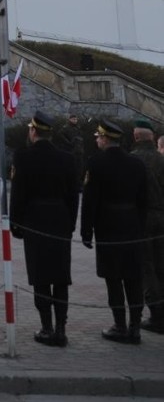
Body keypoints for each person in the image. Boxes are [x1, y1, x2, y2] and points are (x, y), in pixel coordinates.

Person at [9, 111, 79, 347]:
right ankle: (61, 328)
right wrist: (70, 223)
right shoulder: (67, 158)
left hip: (35, 220)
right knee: (60, 277)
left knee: (41, 277)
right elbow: (73, 196)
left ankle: (47, 326)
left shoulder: (23, 157)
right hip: (59, 219)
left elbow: (18, 195)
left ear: (33, 131)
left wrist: (15, 223)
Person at [81, 119, 148, 344]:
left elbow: (90, 200)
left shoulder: (96, 162)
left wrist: (86, 230)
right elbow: (144, 199)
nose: (97, 140)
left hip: (107, 225)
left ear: (105, 138)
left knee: (113, 278)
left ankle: (120, 325)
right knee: (133, 278)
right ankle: (135, 326)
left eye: (99, 137)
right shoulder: (136, 163)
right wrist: (141, 225)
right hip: (132, 225)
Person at [130, 121, 164, 334]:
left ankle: (157, 314)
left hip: (142, 218)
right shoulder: (161, 160)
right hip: (162, 216)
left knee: (146, 267)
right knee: (161, 265)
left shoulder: (133, 160)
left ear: (135, 137)